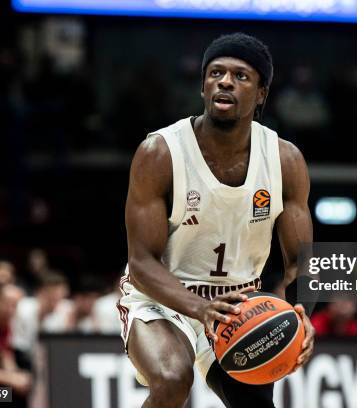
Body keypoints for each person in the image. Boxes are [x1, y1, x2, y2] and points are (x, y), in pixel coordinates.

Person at [118, 33, 315, 408]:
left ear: (261, 94)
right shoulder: (160, 153)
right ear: (204, 85)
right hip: (163, 296)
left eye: (241, 76)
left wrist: (302, 314)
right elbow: (142, 263)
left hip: (240, 305)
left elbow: (299, 263)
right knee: (173, 379)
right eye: (216, 73)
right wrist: (199, 308)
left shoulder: (285, 160)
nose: (225, 81)